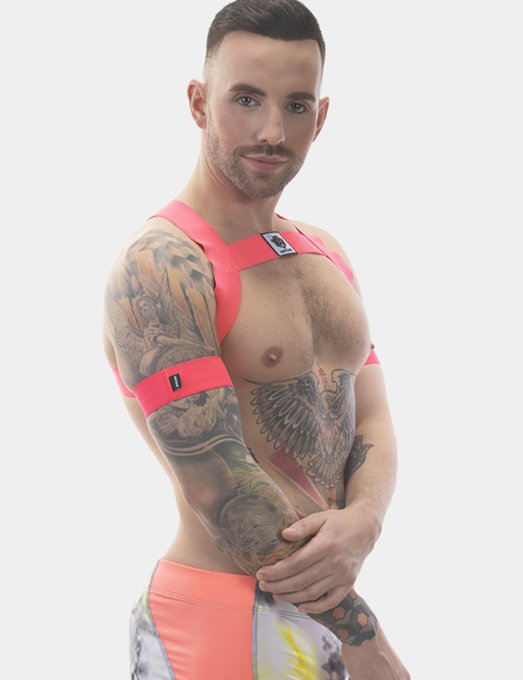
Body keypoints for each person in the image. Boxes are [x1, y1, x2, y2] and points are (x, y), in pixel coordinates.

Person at [103, 1, 409, 678]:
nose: (272, 130)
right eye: (246, 99)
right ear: (198, 102)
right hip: (222, 617)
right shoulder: (163, 265)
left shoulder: (323, 252)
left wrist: (364, 519)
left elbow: (373, 414)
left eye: (295, 105)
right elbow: (221, 489)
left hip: (321, 609)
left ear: (319, 118)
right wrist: (367, 641)